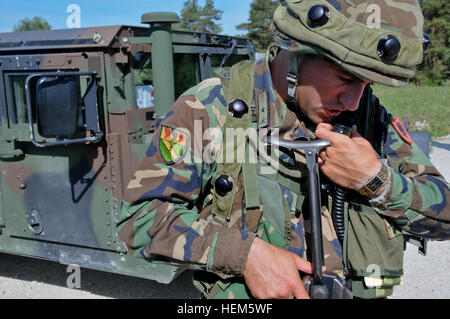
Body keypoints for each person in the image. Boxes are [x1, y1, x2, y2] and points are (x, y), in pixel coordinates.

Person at [117, 0, 450, 299]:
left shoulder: (367, 116)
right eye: (345, 77)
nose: (354, 100)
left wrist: (376, 180)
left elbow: (445, 217)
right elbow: (140, 220)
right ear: (296, 51)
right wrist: (245, 254)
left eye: (367, 84)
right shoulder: (209, 109)